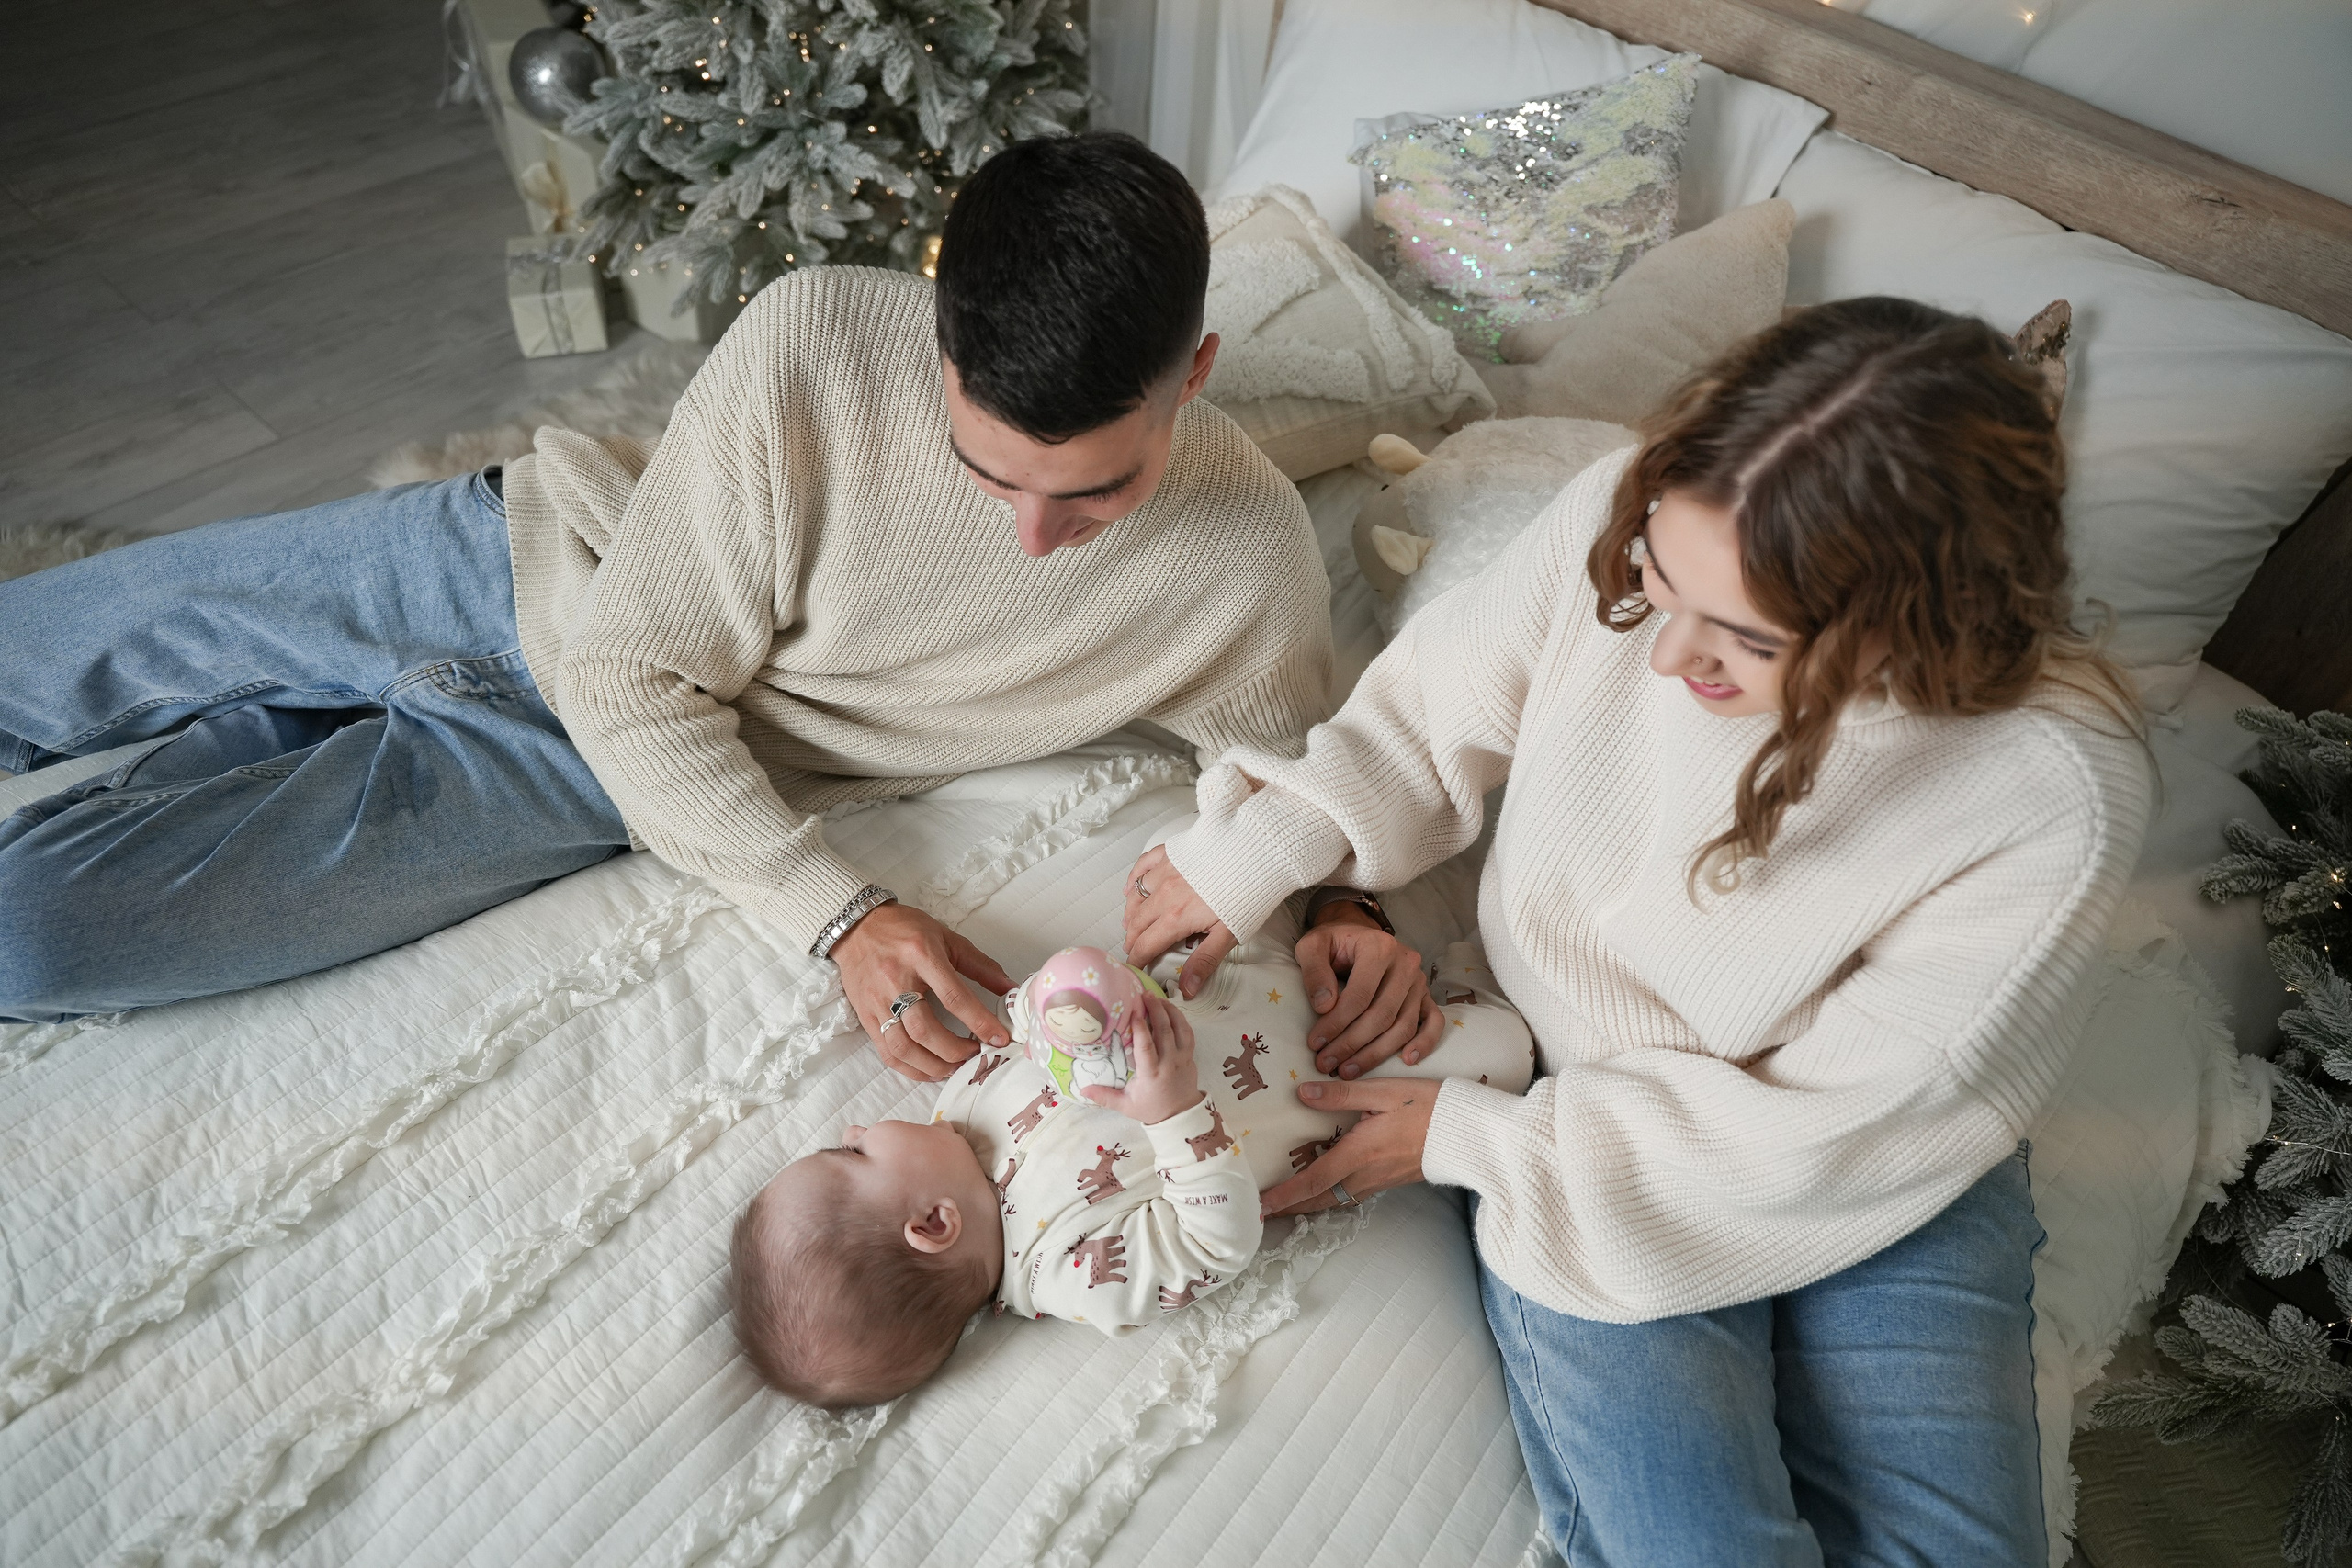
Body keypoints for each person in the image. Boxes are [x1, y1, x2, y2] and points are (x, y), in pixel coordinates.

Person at [1123, 297, 2152, 1565]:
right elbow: (1427, 710)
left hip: (1878, 1156)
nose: (1667, 657)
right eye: (1662, 587)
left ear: (1913, 625)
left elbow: (1841, 1132)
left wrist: (1474, 1136)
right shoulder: (1627, 510)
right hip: (1595, 1102)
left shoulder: (2053, 790)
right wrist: (1259, 853)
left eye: (1746, 639)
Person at [0, 132, 1333, 1057]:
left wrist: (1354, 914)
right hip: (499, 555)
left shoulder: (1247, 555)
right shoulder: (814, 334)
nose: (1040, 537)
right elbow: (635, 663)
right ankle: (254, 719)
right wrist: (842, 912)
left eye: (1096, 492)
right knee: (30, 652)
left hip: (581, 770)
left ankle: (251, 735)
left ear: (1196, 369)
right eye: (988, 471)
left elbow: (1305, 780)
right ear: (939, 343)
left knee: (31, 937)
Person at [729, 915, 1533, 1406]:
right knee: (1509, 1049)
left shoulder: (958, 1102)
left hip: (1234, 980)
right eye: (853, 1150)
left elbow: (1027, 1023)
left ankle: (1410, 929)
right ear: (933, 1223)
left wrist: (1063, 1003)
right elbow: (1213, 1243)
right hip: (1343, 1083)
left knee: (1210, 863)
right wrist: (1172, 1110)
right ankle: (1474, 970)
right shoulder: (1068, 1272)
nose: (865, 1122)